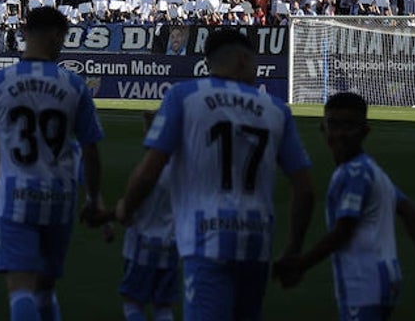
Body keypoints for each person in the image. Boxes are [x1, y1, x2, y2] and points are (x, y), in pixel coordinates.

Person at [116, 27, 314, 321]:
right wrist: (294, 249)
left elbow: (150, 171)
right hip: (257, 240)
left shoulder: (185, 96)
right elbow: (304, 187)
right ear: (243, 60)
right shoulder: (275, 108)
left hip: (206, 236)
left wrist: (126, 208)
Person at [0, 5, 106, 321]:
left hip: (14, 197)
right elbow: (91, 149)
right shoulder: (75, 84)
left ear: (25, 33)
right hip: (59, 197)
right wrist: (94, 198)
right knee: (45, 290)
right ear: (55, 36)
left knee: (21, 288)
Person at [273, 92, 415, 318]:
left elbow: (344, 230)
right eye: (333, 125)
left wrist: (300, 265)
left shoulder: (354, 173)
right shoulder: (371, 170)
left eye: (349, 126)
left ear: (364, 131)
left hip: (364, 281)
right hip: (383, 276)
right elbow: (407, 208)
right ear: (323, 128)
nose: (340, 134)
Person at [119, 111, 178, 321]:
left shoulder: (147, 173)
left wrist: (121, 209)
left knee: (133, 303)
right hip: (171, 245)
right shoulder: (181, 173)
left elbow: (129, 206)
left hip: (142, 244)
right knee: (163, 307)